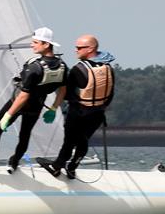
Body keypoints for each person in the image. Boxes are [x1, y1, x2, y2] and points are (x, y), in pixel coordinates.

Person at [0, 27, 67, 176]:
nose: (32, 45)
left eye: (35, 42)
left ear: (46, 44)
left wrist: (8, 115)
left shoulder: (35, 67)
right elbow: (63, 90)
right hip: (37, 106)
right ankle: (14, 162)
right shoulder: (62, 66)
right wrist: (53, 108)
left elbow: (23, 96)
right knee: (25, 135)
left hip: (19, 103)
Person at [37, 34, 115, 179]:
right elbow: (110, 93)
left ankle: (56, 167)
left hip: (78, 113)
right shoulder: (108, 67)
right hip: (97, 114)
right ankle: (72, 167)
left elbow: (66, 94)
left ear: (90, 49)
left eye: (79, 48)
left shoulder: (78, 69)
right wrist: (100, 106)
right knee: (83, 140)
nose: (76, 50)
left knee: (70, 141)